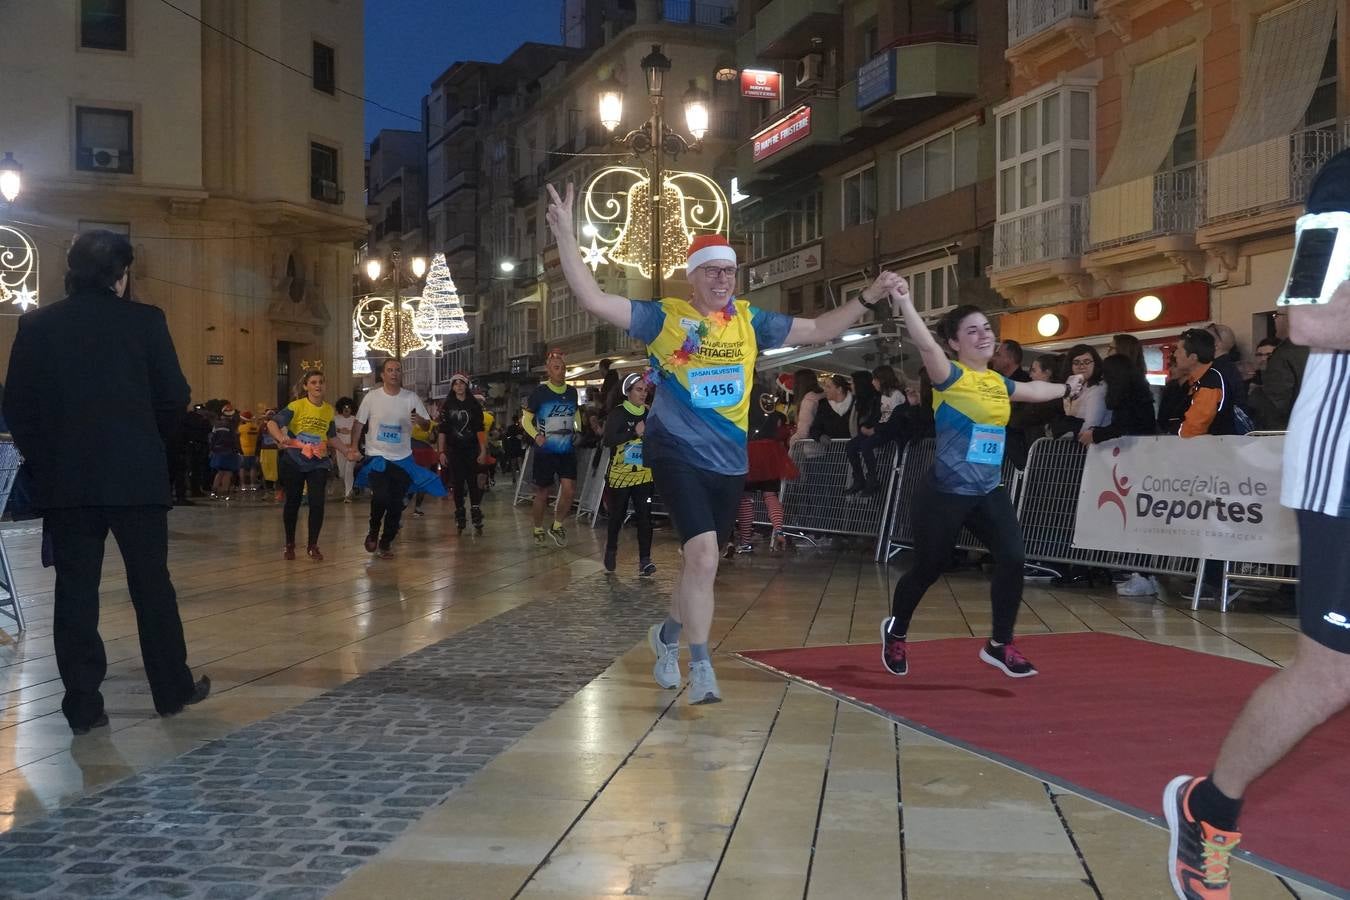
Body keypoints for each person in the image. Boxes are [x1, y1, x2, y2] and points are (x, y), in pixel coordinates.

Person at [545, 179, 908, 704]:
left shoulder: (749, 320)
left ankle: (667, 637)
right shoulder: (666, 317)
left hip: (727, 459)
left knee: (700, 564)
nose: (722, 278)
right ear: (693, 276)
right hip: (674, 452)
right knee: (707, 559)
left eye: (730, 271)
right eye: (712, 270)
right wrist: (564, 235)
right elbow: (593, 297)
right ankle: (703, 666)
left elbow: (818, 329)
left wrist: (866, 298)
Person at [1163, 152, 1350, 900]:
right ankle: (1208, 808)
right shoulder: (1341, 186)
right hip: (1344, 472)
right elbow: (1305, 317)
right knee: (1333, 671)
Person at [4, 229, 209, 733]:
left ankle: (82, 705)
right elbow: (173, 397)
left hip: (68, 482)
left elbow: (18, 407)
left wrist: (48, 459)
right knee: (151, 586)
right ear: (120, 275)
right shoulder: (145, 322)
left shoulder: (37, 325)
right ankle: (171, 689)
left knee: (76, 590)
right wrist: (149, 445)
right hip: (136, 476)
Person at [881, 298, 1083, 680]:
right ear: (955, 344)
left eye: (987, 329)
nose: (983, 336)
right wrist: (907, 301)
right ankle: (897, 630)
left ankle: (999, 644)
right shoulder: (949, 376)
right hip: (945, 493)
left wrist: (1065, 386)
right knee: (929, 567)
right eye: (971, 331)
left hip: (988, 490)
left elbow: (1033, 392)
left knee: (1012, 557)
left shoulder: (997, 383)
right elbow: (925, 344)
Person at [352, 358, 445, 558]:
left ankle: (386, 542)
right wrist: (353, 447)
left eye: (397, 370)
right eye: (390, 370)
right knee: (381, 497)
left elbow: (427, 427)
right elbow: (359, 423)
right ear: (383, 375)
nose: (394, 373)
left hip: (402, 458)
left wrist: (421, 421)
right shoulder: (371, 397)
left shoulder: (411, 398)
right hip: (377, 456)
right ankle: (374, 530)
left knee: (396, 503)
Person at [268, 370, 355, 560]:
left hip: (318, 462)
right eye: (314, 382)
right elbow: (272, 424)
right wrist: (281, 437)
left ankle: (313, 545)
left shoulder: (328, 410)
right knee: (293, 502)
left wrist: (346, 451)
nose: (318, 385)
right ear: (306, 386)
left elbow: (332, 437)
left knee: (317, 503)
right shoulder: (296, 406)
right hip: (294, 460)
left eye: (321, 382)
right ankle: (290, 543)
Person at [730, 379, 797, 555]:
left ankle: (745, 541)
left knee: (745, 499)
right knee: (770, 495)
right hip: (770, 449)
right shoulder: (765, 392)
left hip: (748, 449)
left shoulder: (739, 391)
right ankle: (779, 531)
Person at [524, 349, 580, 546]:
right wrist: (536, 436)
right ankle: (538, 527)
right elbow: (526, 420)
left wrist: (578, 431)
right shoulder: (540, 393)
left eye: (563, 368)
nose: (561, 371)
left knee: (569, 489)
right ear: (548, 370)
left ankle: (557, 525)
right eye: (556, 368)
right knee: (543, 492)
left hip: (566, 450)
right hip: (546, 451)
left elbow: (576, 413)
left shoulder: (572, 392)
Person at [601, 373, 656, 575]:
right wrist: (634, 433)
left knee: (645, 517)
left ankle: (645, 560)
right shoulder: (618, 413)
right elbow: (608, 440)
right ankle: (611, 549)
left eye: (645, 390)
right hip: (621, 474)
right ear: (628, 392)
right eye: (639, 390)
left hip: (645, 473)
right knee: (618, 515)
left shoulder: (650, 413)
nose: (643, 394)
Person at [437, 373, 488, 534]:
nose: (459, 386)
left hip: (472, 448)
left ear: (466, 385)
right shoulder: (447, 406)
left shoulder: (474, 405)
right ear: (452, 387)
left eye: (461, 383)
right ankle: (460, 512)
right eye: (455, 384)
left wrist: (483, 449)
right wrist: (441, 452)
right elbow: (442, 431)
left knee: (473, 481)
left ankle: (475, 510)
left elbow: (480, 429)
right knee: (457, 483)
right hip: (454, 450)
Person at [846, 364, 907, 494]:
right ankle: (859, 478)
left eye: (875, 379)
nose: (873, 382)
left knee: (866, 445)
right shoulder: (882, 396)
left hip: (888, 431)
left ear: (882, 380)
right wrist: (867, 426)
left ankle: (872, 478)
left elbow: (895, 420)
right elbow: (878, 415)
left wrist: (875, 429)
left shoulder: (897, 396)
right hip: (879, 428)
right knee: (851, 446)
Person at [1247, 309, 1309, 430]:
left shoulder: (1285, 354)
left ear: (1290, 318)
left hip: (1288, 434)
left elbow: (1276, 404)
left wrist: (1256, 394)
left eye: (1276, 316)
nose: (1274, 320)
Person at [1171, 328, 1235, 436]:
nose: (1175, 354)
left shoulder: (1210, 384)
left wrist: (1174, 444)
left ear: (1193, 358)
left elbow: (1194, 428)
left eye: (1179, 350)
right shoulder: (1197, 381)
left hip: (1208, 450)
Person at [1052, 344, 1107, 438]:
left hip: (1089, 443)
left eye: (1087, 362)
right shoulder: (1069, 386)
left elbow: (1091, 423)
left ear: (1095, 364)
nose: (1081, 366)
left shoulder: (1098, 388)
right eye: (1076, 362)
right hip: (1073, 444)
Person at [208, 402, 240, 499]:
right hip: (229, 451)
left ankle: (213, 493)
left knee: (220, 472)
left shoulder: (216, 424)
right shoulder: (231, 425)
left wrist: (212, 449)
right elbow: (234, 439)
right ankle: (225, 494)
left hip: (218, 451)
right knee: (228, 472)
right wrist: (237, 450)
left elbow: (211, 438)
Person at [787, 369, 824, 446]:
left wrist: (793, 441)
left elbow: (804, 431)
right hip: (826, 446)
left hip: (812, 448)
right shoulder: (823, 396)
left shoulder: (808, 400)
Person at [333, 397, 358, 502]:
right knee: (342, 473)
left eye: (349, 407)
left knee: (349, 470)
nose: (347, 410)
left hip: (352, 449)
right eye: (344, 408)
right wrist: (339, 430)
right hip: (340, 449)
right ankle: (351, 489)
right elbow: (330, 432)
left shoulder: (355, 419)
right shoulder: (336, 419)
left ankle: (348, 494)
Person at [237, 410, 260, 492]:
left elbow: (236, 437)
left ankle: (243, 485)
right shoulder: (256, 427)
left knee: (242, 468)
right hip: (254, 451)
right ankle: (253, 485)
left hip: (243, 451)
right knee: (253, 468)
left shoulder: (241, 428)